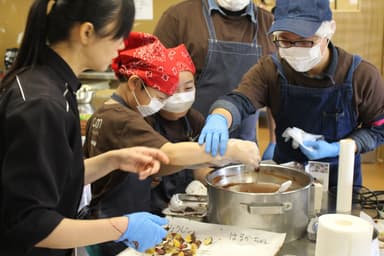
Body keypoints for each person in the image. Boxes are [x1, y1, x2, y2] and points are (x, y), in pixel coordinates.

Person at [0, 0, 171, 255]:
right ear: (87, 32)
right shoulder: (42, 105)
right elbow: (31, 223)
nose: (122, 45)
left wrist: (114, 159)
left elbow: (58, 176)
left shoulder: (55, 84)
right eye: (119, 35)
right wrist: (122, 227)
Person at [83, 31, 260, 256]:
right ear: (135, 84)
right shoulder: (120, 119)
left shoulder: (111, 113)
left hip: (119, 222)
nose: (164, 104)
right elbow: (168, 155)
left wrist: (203, 161)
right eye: (161, 97)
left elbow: (161, 164)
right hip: (116, 228)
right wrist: (229, 148)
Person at [198, 0, 384, 189]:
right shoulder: (270, 70)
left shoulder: (361, 76)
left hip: (341, 183)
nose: (295, 48)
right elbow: (239, 101)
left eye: (305, 41)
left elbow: (378, 129)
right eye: (285, 40)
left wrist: (344, 147)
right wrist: (220, 117)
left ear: (328, 31)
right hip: (286, 182)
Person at [153, 0, 277, 159]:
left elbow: (275, 87)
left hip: (243, 148)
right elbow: (152, 82)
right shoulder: (179, 17)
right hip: (188, 145)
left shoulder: (269, 24)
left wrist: (274, 142)